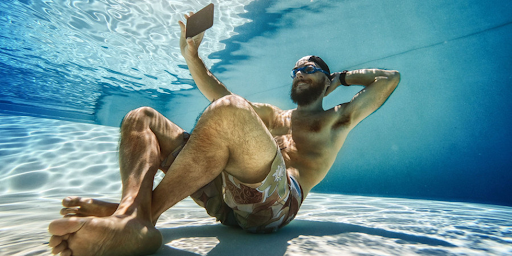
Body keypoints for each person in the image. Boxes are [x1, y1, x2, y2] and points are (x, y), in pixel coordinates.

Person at [48, 11, 401, 256]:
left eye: (310, 68)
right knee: (142, 118)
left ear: (325, 82)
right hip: (225, 198)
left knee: (231, 111)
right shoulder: (273, 116)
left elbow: (389, 80)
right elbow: (219, 96)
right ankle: (131, 213)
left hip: (274, 209)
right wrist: (192, 56)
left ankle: (139, 215)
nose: (300, 72)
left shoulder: (335, 120)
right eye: (296, 69)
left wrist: (339, 78)